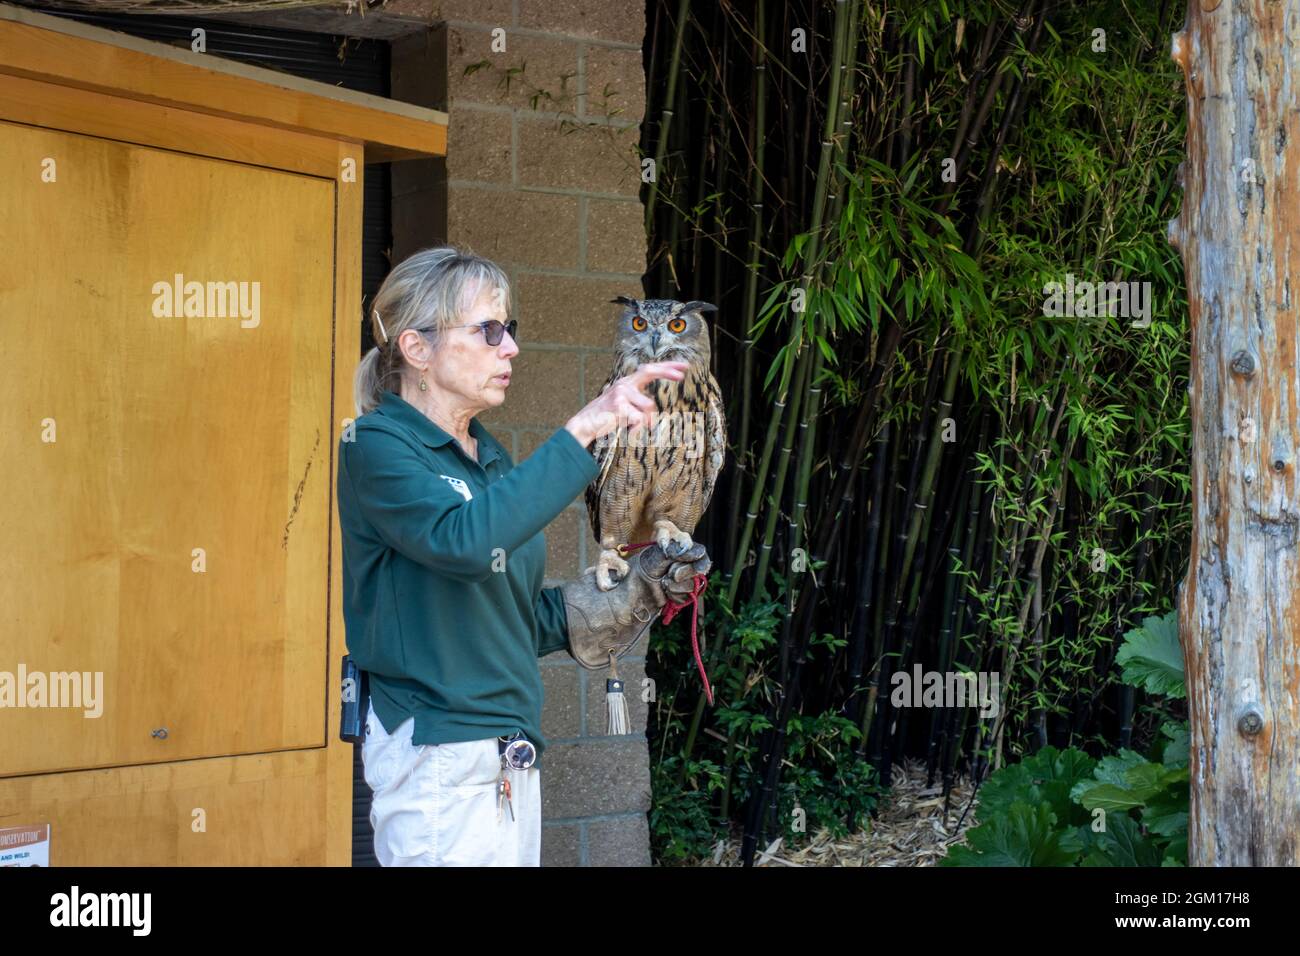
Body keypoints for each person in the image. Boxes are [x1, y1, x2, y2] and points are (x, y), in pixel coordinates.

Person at [336, 246, 711, 866]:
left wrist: (625, 595)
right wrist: (582, 431)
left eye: (509, 329)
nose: (509, 347)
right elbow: (464, 543)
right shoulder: (377, 446)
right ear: (417, 348)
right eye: (488, 330)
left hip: (506, 755)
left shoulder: (484, 456)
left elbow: (508, 612)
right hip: (438, 752)